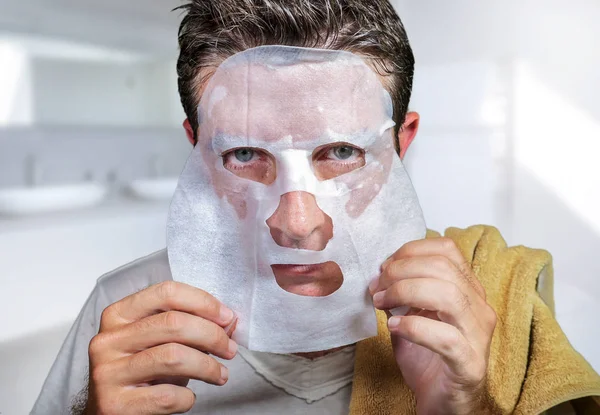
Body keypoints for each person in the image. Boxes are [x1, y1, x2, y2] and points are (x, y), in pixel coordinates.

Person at [32, 1, 600, 414]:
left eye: (343, 152)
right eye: (245, 154)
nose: (298, 223)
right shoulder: (126, 314)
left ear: (402, 142)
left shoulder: (489, 298)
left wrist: (465, 406)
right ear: (197, 148)